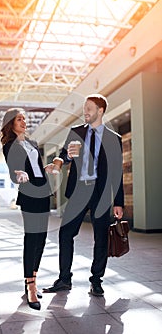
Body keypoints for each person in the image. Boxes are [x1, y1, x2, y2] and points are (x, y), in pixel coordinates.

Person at [43, 93, 124, 297]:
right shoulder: (76, 132)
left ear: (100, 110)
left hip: (101, 193)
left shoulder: (114, 139)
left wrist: (119, 202)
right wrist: (63, 158)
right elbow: (64, 155)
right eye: (84, 107)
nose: (84, 111)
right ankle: (64, 279)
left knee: (101, 239)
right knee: (65, 234)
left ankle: (96, 281)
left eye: (89, 108)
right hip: (79, 190)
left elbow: (116, 173)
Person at [0, 108, 54, 310]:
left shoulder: (32, 143)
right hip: (29, 195)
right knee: (31, 238)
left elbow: (37, 167)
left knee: (41, 238)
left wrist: (45, 169)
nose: (23, 122)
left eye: (24, 118)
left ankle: (33, 278)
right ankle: (30, 287)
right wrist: (19, 174)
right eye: (19, 119)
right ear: (11, 124)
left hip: (44, 192)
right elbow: (14, 170)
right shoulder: (9, 146)